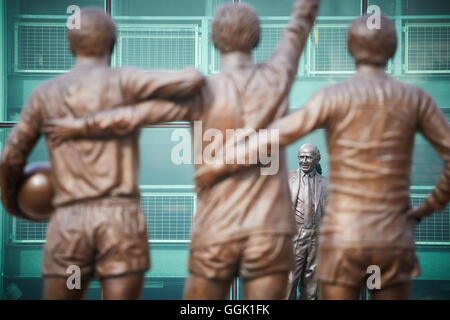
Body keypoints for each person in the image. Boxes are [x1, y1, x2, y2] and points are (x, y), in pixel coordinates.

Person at [44, 0, 321, 299]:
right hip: (269, 229)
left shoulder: (200, 92)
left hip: (215, 227)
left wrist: (80, 126)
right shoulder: (276, 78)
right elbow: (300, 23)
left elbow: (135, 116)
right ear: (257, 37)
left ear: (213, 40)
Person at [194, 14, 450, 299]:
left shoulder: (333, 97)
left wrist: (218, 165)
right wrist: (425, 210)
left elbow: (277, 134)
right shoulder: (416, 99)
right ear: (392, 50)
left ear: (351, 49)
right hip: (392, 234)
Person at [0, 7, 204, 300]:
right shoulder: (127, 82)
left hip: (70, 220)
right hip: (120, 220)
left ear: (71, 45)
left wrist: (13, 205)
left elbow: (10, 159)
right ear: (113, 43)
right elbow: (193, 79)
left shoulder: (45, 94)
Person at [286, 144, 327, 300]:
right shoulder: (287, 178)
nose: (304, 160)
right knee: (289, 282)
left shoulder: (326, 185)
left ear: (317, 159)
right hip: (295, 235)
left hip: (316, 237)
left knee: (311, 285)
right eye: (301, 157)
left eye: (308, 157)